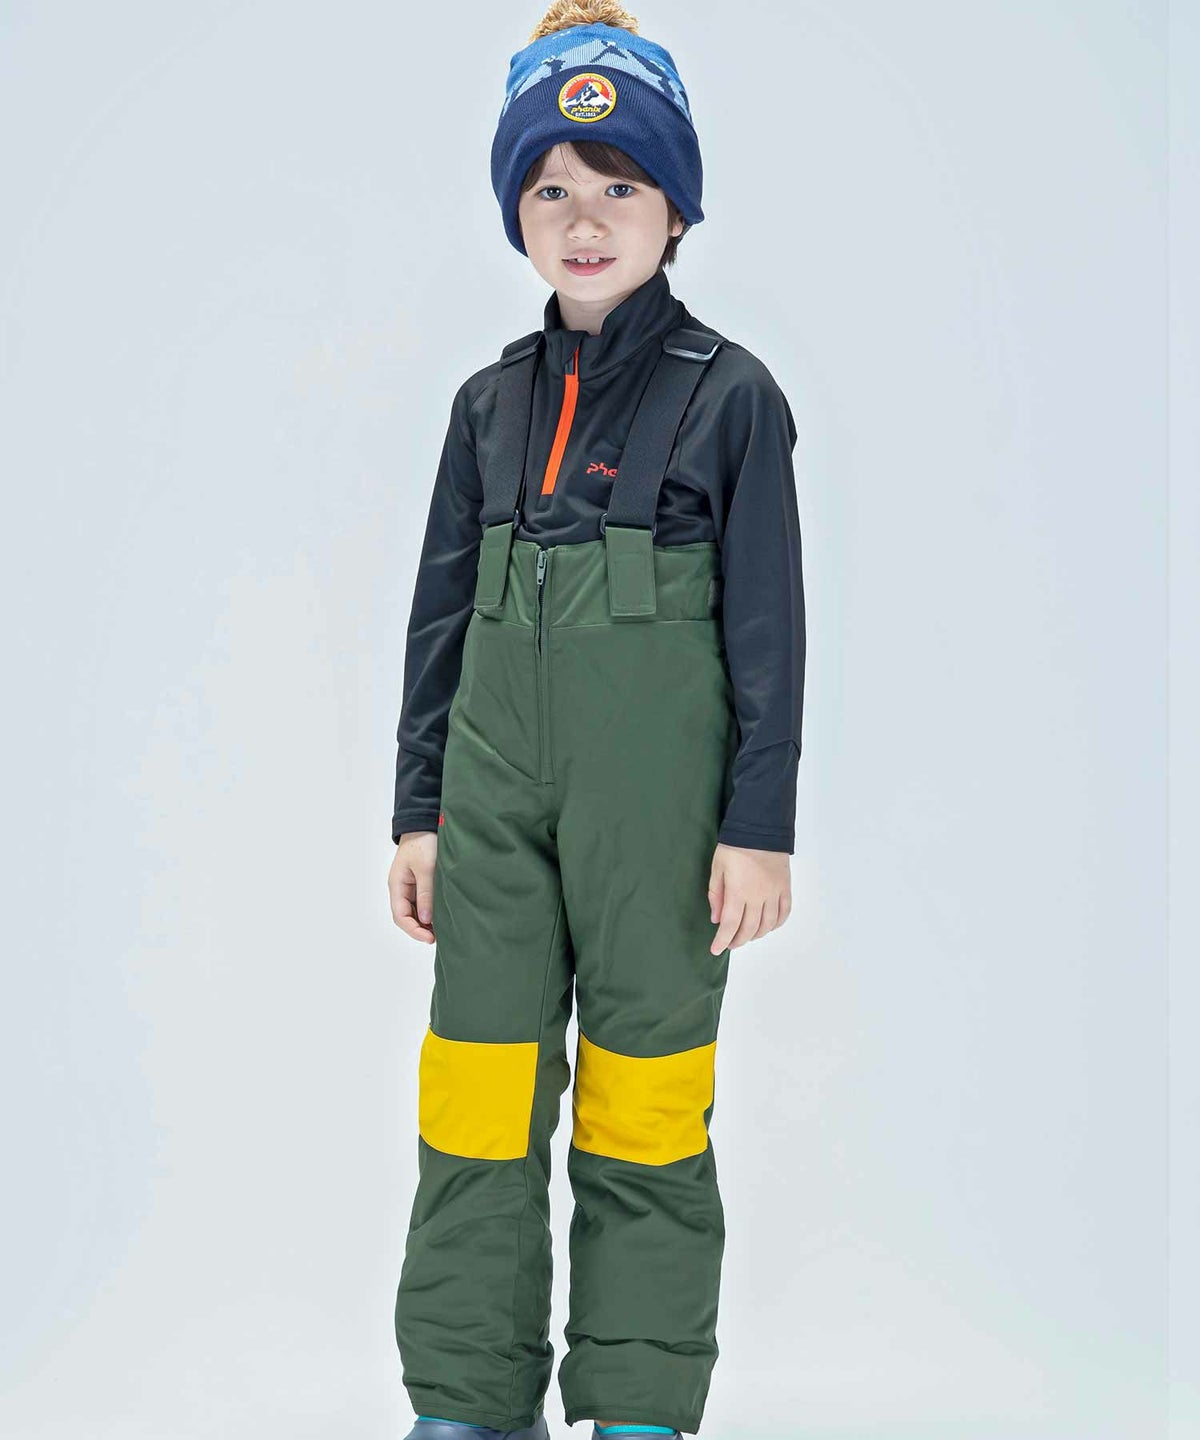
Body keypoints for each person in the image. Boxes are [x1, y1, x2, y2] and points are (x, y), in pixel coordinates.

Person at [387, 4, 806, 1437]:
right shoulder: (486, 406)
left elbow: (769, 630)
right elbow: (440, 620)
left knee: (645, 1104)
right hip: (493, 802)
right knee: (474, 1099)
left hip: (662, 817)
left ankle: (637, 1407)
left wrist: (758, 825)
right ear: (515, 211)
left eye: (621, 186)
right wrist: (420, 810)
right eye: (552, 188)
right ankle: (465, 1402)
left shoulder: (731, 396)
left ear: (675, 210)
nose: (585, 220)